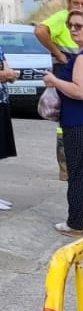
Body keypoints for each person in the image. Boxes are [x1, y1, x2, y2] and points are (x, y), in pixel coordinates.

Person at [41, 9, 83, 235]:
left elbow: (82, 91)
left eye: (79, 26)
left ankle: (75, 223)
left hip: (82, 123)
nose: (73, 30)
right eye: (71, 25)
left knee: (80, 174)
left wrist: (54, 81)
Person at [35, 0, 83, 182]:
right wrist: (58, 54)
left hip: (79, 75)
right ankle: (66, 168)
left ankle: (76, 165)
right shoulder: (62, 18)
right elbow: (40, 30)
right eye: (76, 3)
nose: (80, 7)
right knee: (65, 121)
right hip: (65, 75)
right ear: (68, 3)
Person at [0, 40, 16, 209]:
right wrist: (7, 74)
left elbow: (7, 69)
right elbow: (6, 73)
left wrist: (9, 74)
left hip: (2, 100)